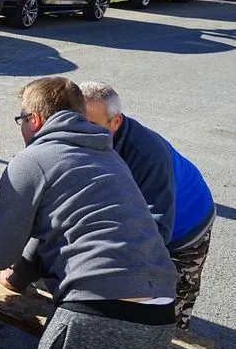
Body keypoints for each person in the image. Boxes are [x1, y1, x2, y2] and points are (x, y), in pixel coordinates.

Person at [0, 77, 178, 349]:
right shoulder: (110, 158)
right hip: (160, 314)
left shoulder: (32, 160)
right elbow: (66, 230)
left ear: (34, 120)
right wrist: (18, 276)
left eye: (21, 120)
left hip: (99, 313)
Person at [79, 82, 215, 331]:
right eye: (74, 121)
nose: (80, 131)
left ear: (116, 122)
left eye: (91, 124)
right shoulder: (78, 139)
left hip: (184, 227)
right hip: (134, 213)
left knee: (167, 309)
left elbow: (156, 231)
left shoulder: (147, 155)